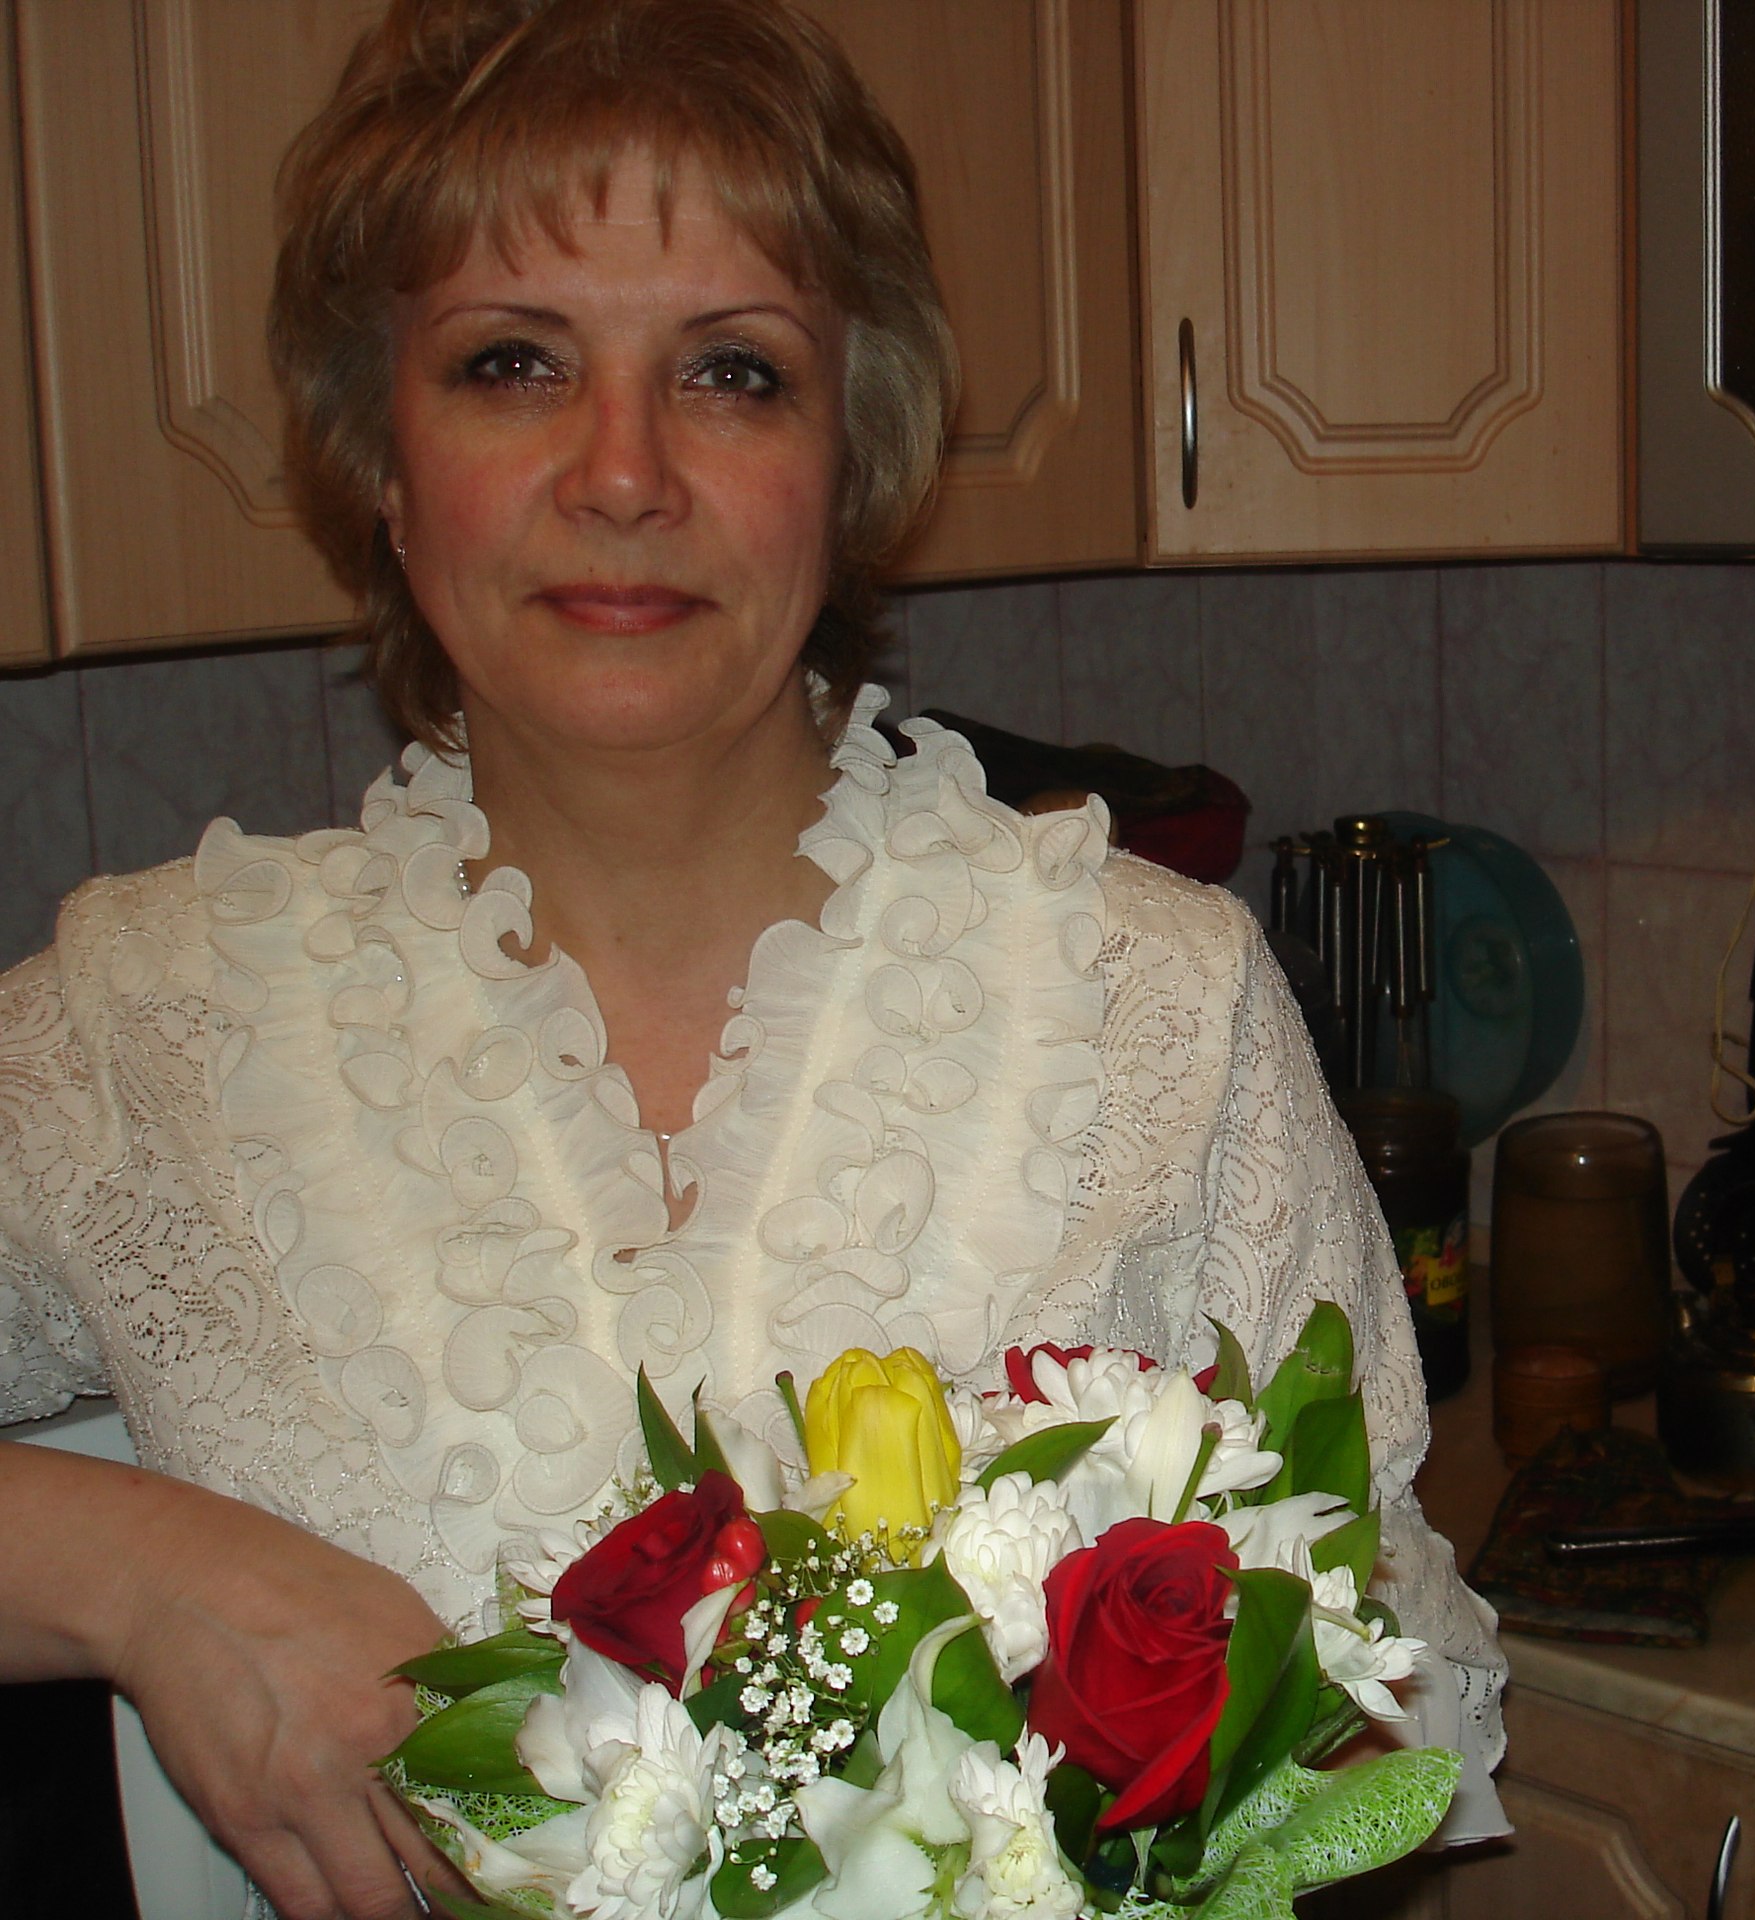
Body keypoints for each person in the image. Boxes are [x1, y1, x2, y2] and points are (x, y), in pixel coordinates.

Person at [0, 4, 1505, 1917]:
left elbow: (1382, 1689)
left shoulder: (1160, 1005)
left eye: (730, 371)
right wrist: (144, 1578)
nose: (623, 474)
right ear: (380, 454)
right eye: (513, 361)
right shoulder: (146, 1031)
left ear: (852, 454)